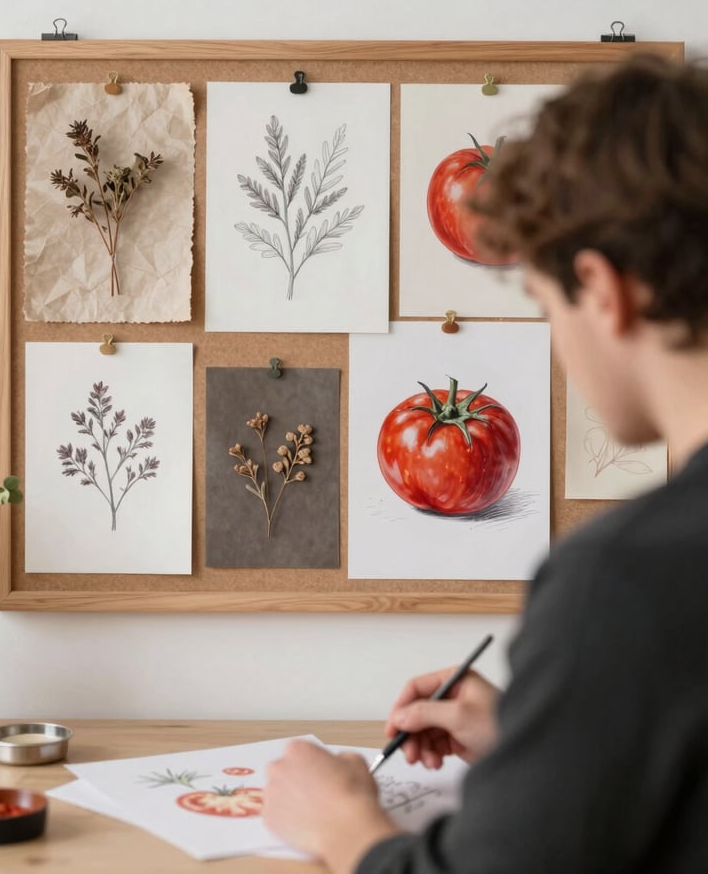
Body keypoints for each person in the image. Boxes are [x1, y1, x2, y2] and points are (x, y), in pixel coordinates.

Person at [262, 53, 708, 873]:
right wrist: (553, 744)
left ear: (604, 291)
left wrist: (344, 825)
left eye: (546, 306)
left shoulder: (625, 579)